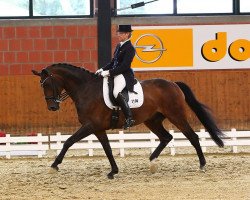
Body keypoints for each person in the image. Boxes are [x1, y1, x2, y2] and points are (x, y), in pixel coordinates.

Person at [96, 24, 136, 129]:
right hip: (115, 72)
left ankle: (129, 117)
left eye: (121, 33)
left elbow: (124, 66)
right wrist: (103, 69)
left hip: (124, 74)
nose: (118, 35)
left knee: (116, 91)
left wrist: (109, 73)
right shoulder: (119, 46)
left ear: (127, 34)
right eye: (118, 33)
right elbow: (113, 62)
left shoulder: (130, 48)